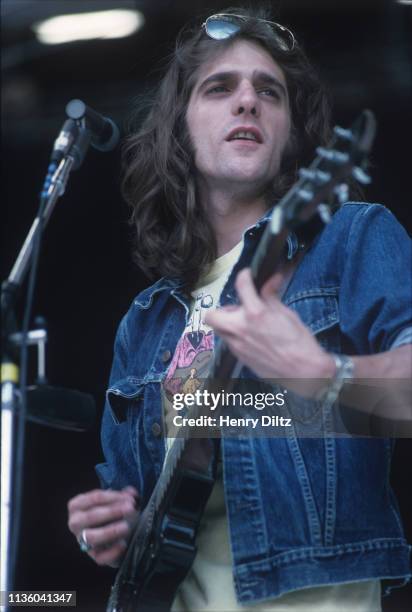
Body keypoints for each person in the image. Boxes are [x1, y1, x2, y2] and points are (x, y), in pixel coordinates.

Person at [67, 7, 412, 611]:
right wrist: (110, 528)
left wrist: (324, 373)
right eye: (220, 87)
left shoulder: (353, 239)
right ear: (181, 128)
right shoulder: (145, 321)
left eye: (269, 92)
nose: (247, 101)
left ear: (291, 135)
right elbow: (134, 511)